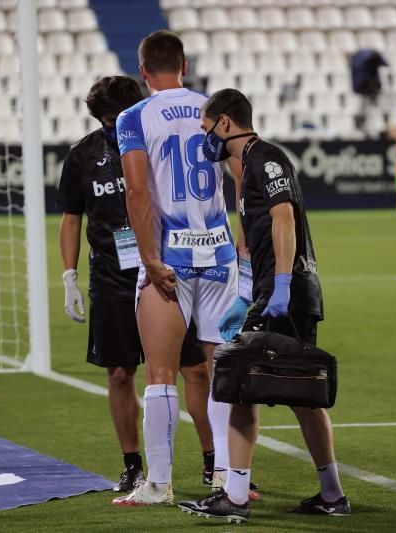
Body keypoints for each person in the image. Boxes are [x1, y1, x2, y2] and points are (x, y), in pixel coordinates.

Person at [179, 89, 350, 523]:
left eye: (205, 129)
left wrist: (282, 285)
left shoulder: (267, 159)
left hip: (287, 290)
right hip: (275, 289)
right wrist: (245, 290)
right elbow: (252, 231)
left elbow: (284, 218)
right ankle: (331, 494)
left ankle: (234, 496)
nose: (205, 140)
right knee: (303, 396)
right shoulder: (247, 166)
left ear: (224, 122)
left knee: (240, 385)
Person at [56, 76, 216, 499]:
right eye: (105, 121)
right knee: (121, 372)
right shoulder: (83, 155)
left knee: (196, 368)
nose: (112, 127)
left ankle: (212, 461)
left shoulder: (161, 137)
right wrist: (69, 274)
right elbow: (72, 216)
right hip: (112, 275)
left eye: (116, 119)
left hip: (166, 270)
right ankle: (132, 466)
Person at [115, 30, 243, 506]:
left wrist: (149, 258)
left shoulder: (134, 116)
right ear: (184, 64)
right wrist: (242, 251)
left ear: (143, 71)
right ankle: (229, 478)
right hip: (219, 255)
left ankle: (160, 484)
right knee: (222, 371)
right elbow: (243, 178)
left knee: (161, 374)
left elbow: (138, 192)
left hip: (168, 260)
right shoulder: (215, 108)